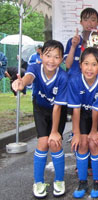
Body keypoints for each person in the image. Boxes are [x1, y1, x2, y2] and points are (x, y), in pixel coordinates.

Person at [12, 40, 68, 198]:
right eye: (48, 55)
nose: (51, 60)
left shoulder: (63, 77)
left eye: (56, 57)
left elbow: (58, 107)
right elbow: (29, 77)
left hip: (58, 111)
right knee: (43, 143)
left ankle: (59, 180)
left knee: (55, 143)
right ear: (41, 55)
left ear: (62, 59)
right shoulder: (35, 67)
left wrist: (55, 131)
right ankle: (38, 181)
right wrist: (22, 82)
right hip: (40, 109)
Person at [68, 47, 98, 199]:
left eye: (94, 64)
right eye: (86, 63)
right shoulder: (74, 80)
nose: (90, 68)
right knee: (82, 144)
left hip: (97, 116)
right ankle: (82, 181)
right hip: (81, 114)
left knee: (93, 143)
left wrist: (94, 131)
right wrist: (76, 133)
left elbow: (96, 110)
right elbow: (76, 110)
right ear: (80, 65)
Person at [64, 8, 98, 76]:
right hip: (75, 79)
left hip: (94, 80)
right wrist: (73, 46)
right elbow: (67, 65)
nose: (89, 23)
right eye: (85, 20)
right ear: (81, 22)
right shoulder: (73, 41)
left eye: (93, 20)